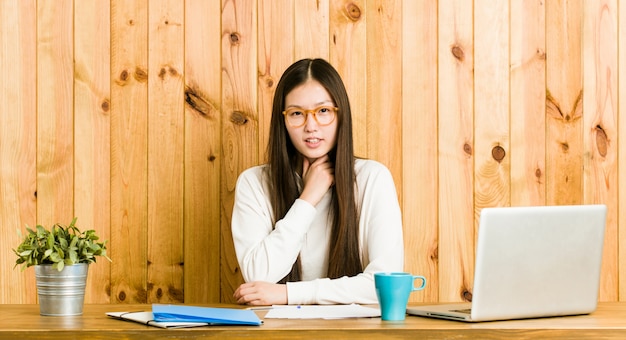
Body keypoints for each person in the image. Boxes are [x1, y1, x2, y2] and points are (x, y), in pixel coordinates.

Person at [231, 58, 403, 306]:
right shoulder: (254, 183)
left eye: (323, 111)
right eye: (297, 114)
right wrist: (308, 199)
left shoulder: (372, 178)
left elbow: (384, 285)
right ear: (283, 121)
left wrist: (289, 294)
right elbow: (259, 275)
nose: (311, 126)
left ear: (340, 114)